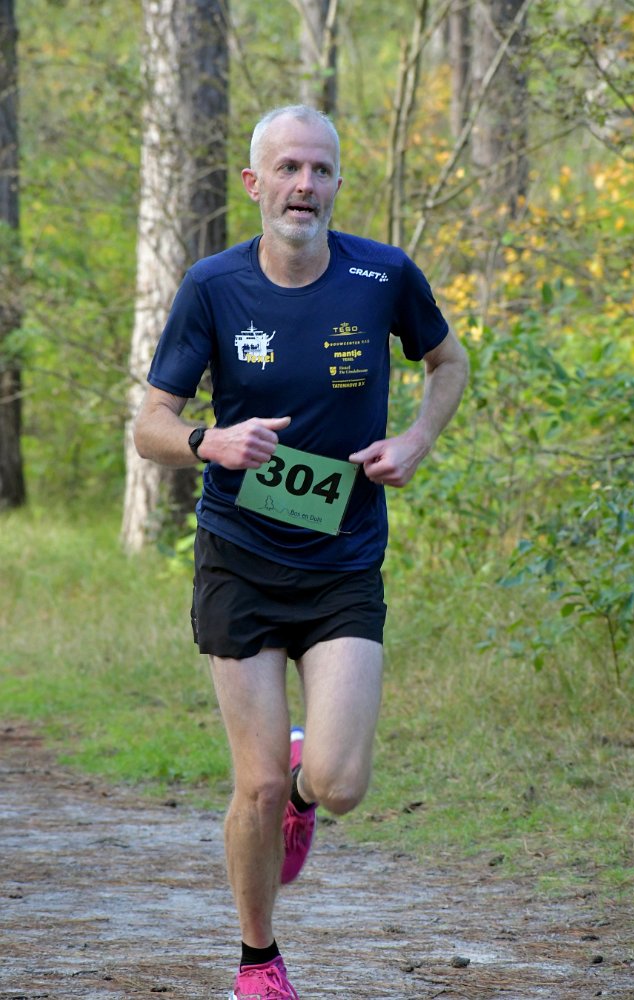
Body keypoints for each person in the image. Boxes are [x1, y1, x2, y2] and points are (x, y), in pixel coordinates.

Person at [133, 104, 469, 1000]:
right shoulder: (212, 286)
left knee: (340, 780)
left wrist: (415, 441)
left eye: (319, 170)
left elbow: (448, 363)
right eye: (286, 168)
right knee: (250, 787)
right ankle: (258, 962)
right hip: (239, 555)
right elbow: (150, 424)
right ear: (254, 183)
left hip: (343, 558)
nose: (303, 186)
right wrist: (210, 442)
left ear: (336, 183)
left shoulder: (381, 274)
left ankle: (303, 786)